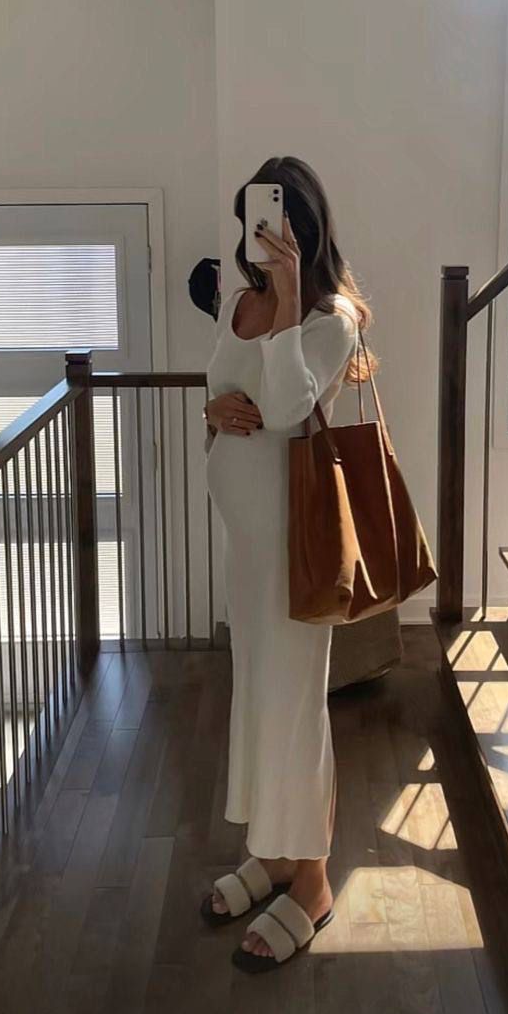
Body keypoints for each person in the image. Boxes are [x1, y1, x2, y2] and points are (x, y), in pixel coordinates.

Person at [201, 155, 374, 973]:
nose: (265, 233)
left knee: (296, 705)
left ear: (307, 228)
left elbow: (287, 407)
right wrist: (212, 407)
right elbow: (228, 390)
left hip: (297, 552)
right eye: (256, 218)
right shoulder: (239, 303)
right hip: (247, 548)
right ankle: (272, 852)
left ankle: (311, 880)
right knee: (259, 698)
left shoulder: (331, 318)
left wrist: (289, 296)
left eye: (282, 220)